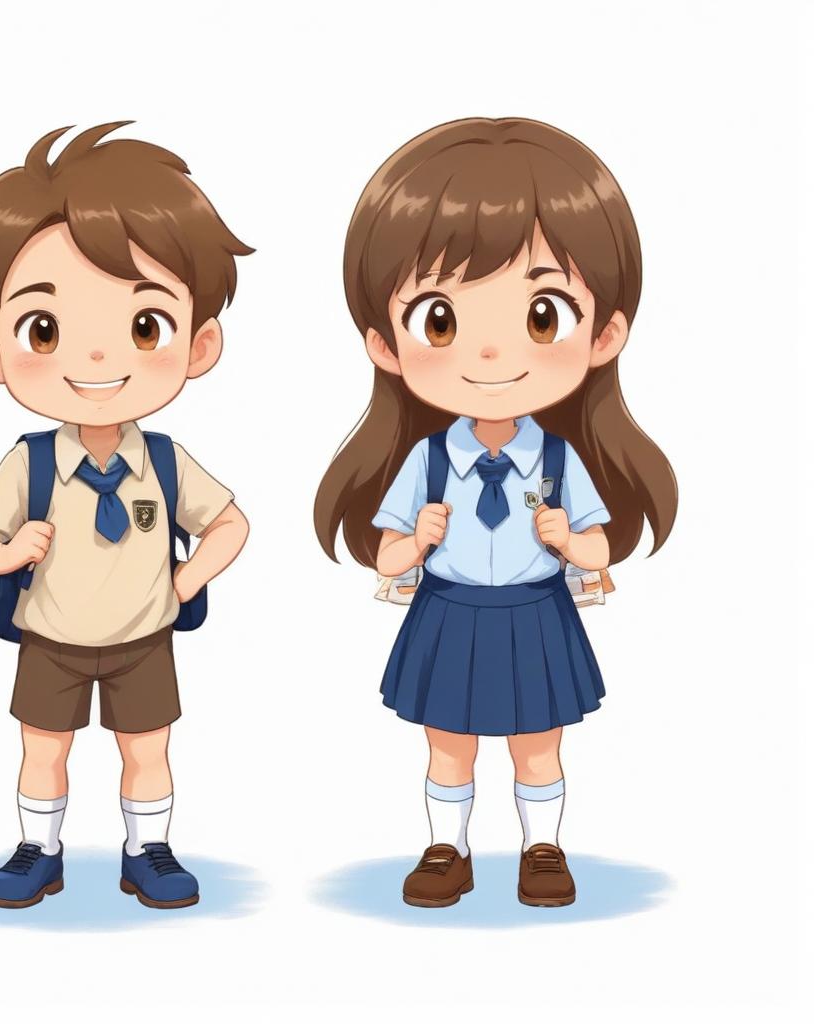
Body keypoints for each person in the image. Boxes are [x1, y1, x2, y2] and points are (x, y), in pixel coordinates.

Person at [315, 117, 677, 908]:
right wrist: (414, 540)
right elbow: (384, 558)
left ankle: (542, 849)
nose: (488, 353)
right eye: (440, 320)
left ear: (605, 333)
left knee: (535, 746)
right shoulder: (428, 459)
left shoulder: (557, 458)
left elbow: (596, 553)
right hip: (449, 612)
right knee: (448, 746)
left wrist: (567, 539)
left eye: (540, 316)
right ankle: (447, 850)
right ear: (385, 343)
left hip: (533, 613)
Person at [0, 122, 251, 910]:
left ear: (200, 343)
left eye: (144, 327)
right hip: (51, 637)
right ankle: (37, 851)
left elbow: (231, 524)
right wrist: (7, 555)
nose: (98, 360)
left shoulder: (170, 462)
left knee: (148, 753)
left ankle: (148, 850)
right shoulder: (32, 462)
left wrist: (186, 578)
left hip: (144, 638)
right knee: (43, 753)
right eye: (45, 330)